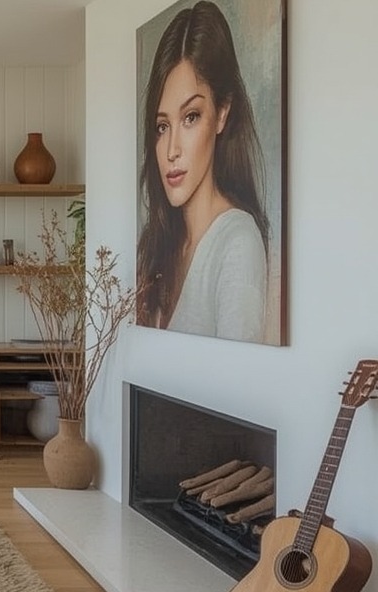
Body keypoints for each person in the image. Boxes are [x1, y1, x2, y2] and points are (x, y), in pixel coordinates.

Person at [136, 0, 269, 342]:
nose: (172, 150)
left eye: (190, 117)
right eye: (162, 126)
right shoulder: (162, 243)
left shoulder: (237, 243)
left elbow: (239, 372)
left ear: (222, 113)